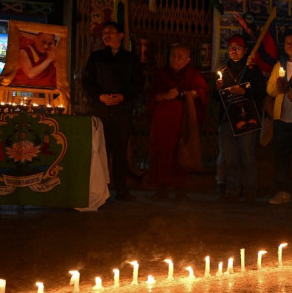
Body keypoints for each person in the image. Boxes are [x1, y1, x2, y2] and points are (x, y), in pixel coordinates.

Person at [82, 21, 144, 201]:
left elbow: (138, 82)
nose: (107, 35)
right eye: (104, 33)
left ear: (121, 35)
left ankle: (122, 189)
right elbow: (87, 82)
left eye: (111, 32)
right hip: (101, 110)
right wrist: (99, 96)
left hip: (122, 111)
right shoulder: (96, 57)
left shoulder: (130, 58)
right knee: (101, 150)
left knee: (120, 152)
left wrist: (124, 96)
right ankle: (100, 189)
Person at [148, 45, 208, 201]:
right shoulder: (162, 74)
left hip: (182, 122)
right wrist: (166, 96)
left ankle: (179, 188)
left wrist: (189, 94)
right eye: (173, 55)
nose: (175, 59)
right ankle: (162, 188)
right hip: (162, 123)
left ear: (188, 60)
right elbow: (151, 97)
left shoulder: (192, 74)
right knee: (161, 153)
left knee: (180, 152)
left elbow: (201, 91)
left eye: (180, 56)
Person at [216, 35, 266, 204]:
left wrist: (244, 92)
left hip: (246, 117)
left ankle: (250, 190)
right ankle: (232, 190)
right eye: (231, 48)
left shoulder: (252, 70)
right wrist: (218, 89)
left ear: (245, 51)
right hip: (227, 119)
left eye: (238, 48)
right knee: (230, 157)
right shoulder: (223, 71)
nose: (234, 51)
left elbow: (261, 92)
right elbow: (216, 99)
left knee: (247, 156)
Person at [266, 29, 292, 205]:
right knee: (281, 158)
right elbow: (270, 90)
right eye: (286, 42)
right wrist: (279, 87)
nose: (289, 45)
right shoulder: (279, 65)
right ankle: (283, 192)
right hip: (281, 119)